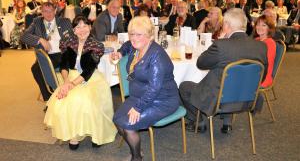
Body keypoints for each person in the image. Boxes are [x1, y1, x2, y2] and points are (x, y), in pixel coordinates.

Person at [179, 8, 268, 134]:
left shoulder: (222, 45)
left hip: (220, 99)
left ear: (226, 25)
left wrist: (219, 41)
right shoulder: (261, 47)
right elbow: (261, 77)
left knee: (184, 86)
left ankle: (200, 122)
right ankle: (227, 123)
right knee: (230, 83)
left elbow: (201, 63)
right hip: (247, 97)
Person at [112, 16, 180, 161]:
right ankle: (136, 148)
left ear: (149, 35)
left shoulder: (157, 55)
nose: (134, 38)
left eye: (139, 34)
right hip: (140, 95)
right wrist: (120, 52)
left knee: (128, 125)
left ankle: (137, 157)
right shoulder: (136, 45)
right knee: (117, 119)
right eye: (131, 34)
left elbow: (155, 88)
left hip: (162, 99)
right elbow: (127, 45)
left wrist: (138, 108)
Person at [44, 15, 117, 150]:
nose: (82, 30)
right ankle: (74, 135)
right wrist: (66, 82)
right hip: (70, 76)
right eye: (78, 27)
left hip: (91, 79)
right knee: (67, 100)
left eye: (85, 26)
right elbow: (64, 65)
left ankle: (97, 133)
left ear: (90, 27)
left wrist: (71, 85)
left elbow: (88, 70)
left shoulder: (96, 45)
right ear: (74, 30)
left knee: (85, 99)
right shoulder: (68, 42)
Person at [21, 1, 73, 102]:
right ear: (41, 12)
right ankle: (48, 98)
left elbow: (72, 38)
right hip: (47, 55)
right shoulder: (37, 22)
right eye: (45, 11)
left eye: (51, 11)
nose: (48, 14)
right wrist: (40, 40)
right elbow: (24, 36)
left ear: (55, 11)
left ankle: (54, 93)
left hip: (62, 53)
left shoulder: (64, 21)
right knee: (36, 69)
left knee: (41, 68)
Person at [254, 15, 276, 88]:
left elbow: (266, 64)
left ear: (269, 28)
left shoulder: (270, 43)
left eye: (264, 25)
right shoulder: (256, 39)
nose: (260, 27)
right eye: (258, 24)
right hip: (255, 71)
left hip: (263, 76)